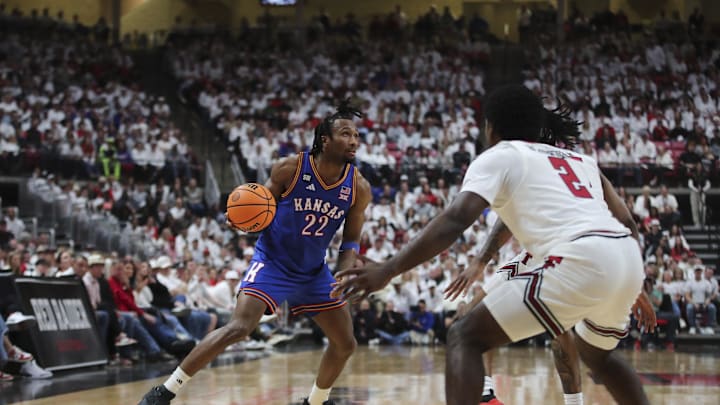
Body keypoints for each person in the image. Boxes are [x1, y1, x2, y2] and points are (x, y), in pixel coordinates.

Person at [334, 85, 651, 405]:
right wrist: (637, 285)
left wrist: (389, 269)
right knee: (601, 359)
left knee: (463, 336)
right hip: (624, 256)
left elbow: (456, 220)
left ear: (490, 127)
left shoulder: (501, 155)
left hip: (579, 254)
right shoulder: (581, 160)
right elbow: (627, 222)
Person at [139, 100, 372, 405]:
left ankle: (315, 402)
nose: (353, 140)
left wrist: (343, 272)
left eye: (356, 135)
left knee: (345, 344)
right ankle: (165, 391)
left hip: (314, 272)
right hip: (273, 263)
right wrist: (241, 220)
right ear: (324, 140)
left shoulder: (358, 187)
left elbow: (351, 241)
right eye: (345, 134)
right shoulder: (290, 168)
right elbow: (259, 206)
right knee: (239, 327)